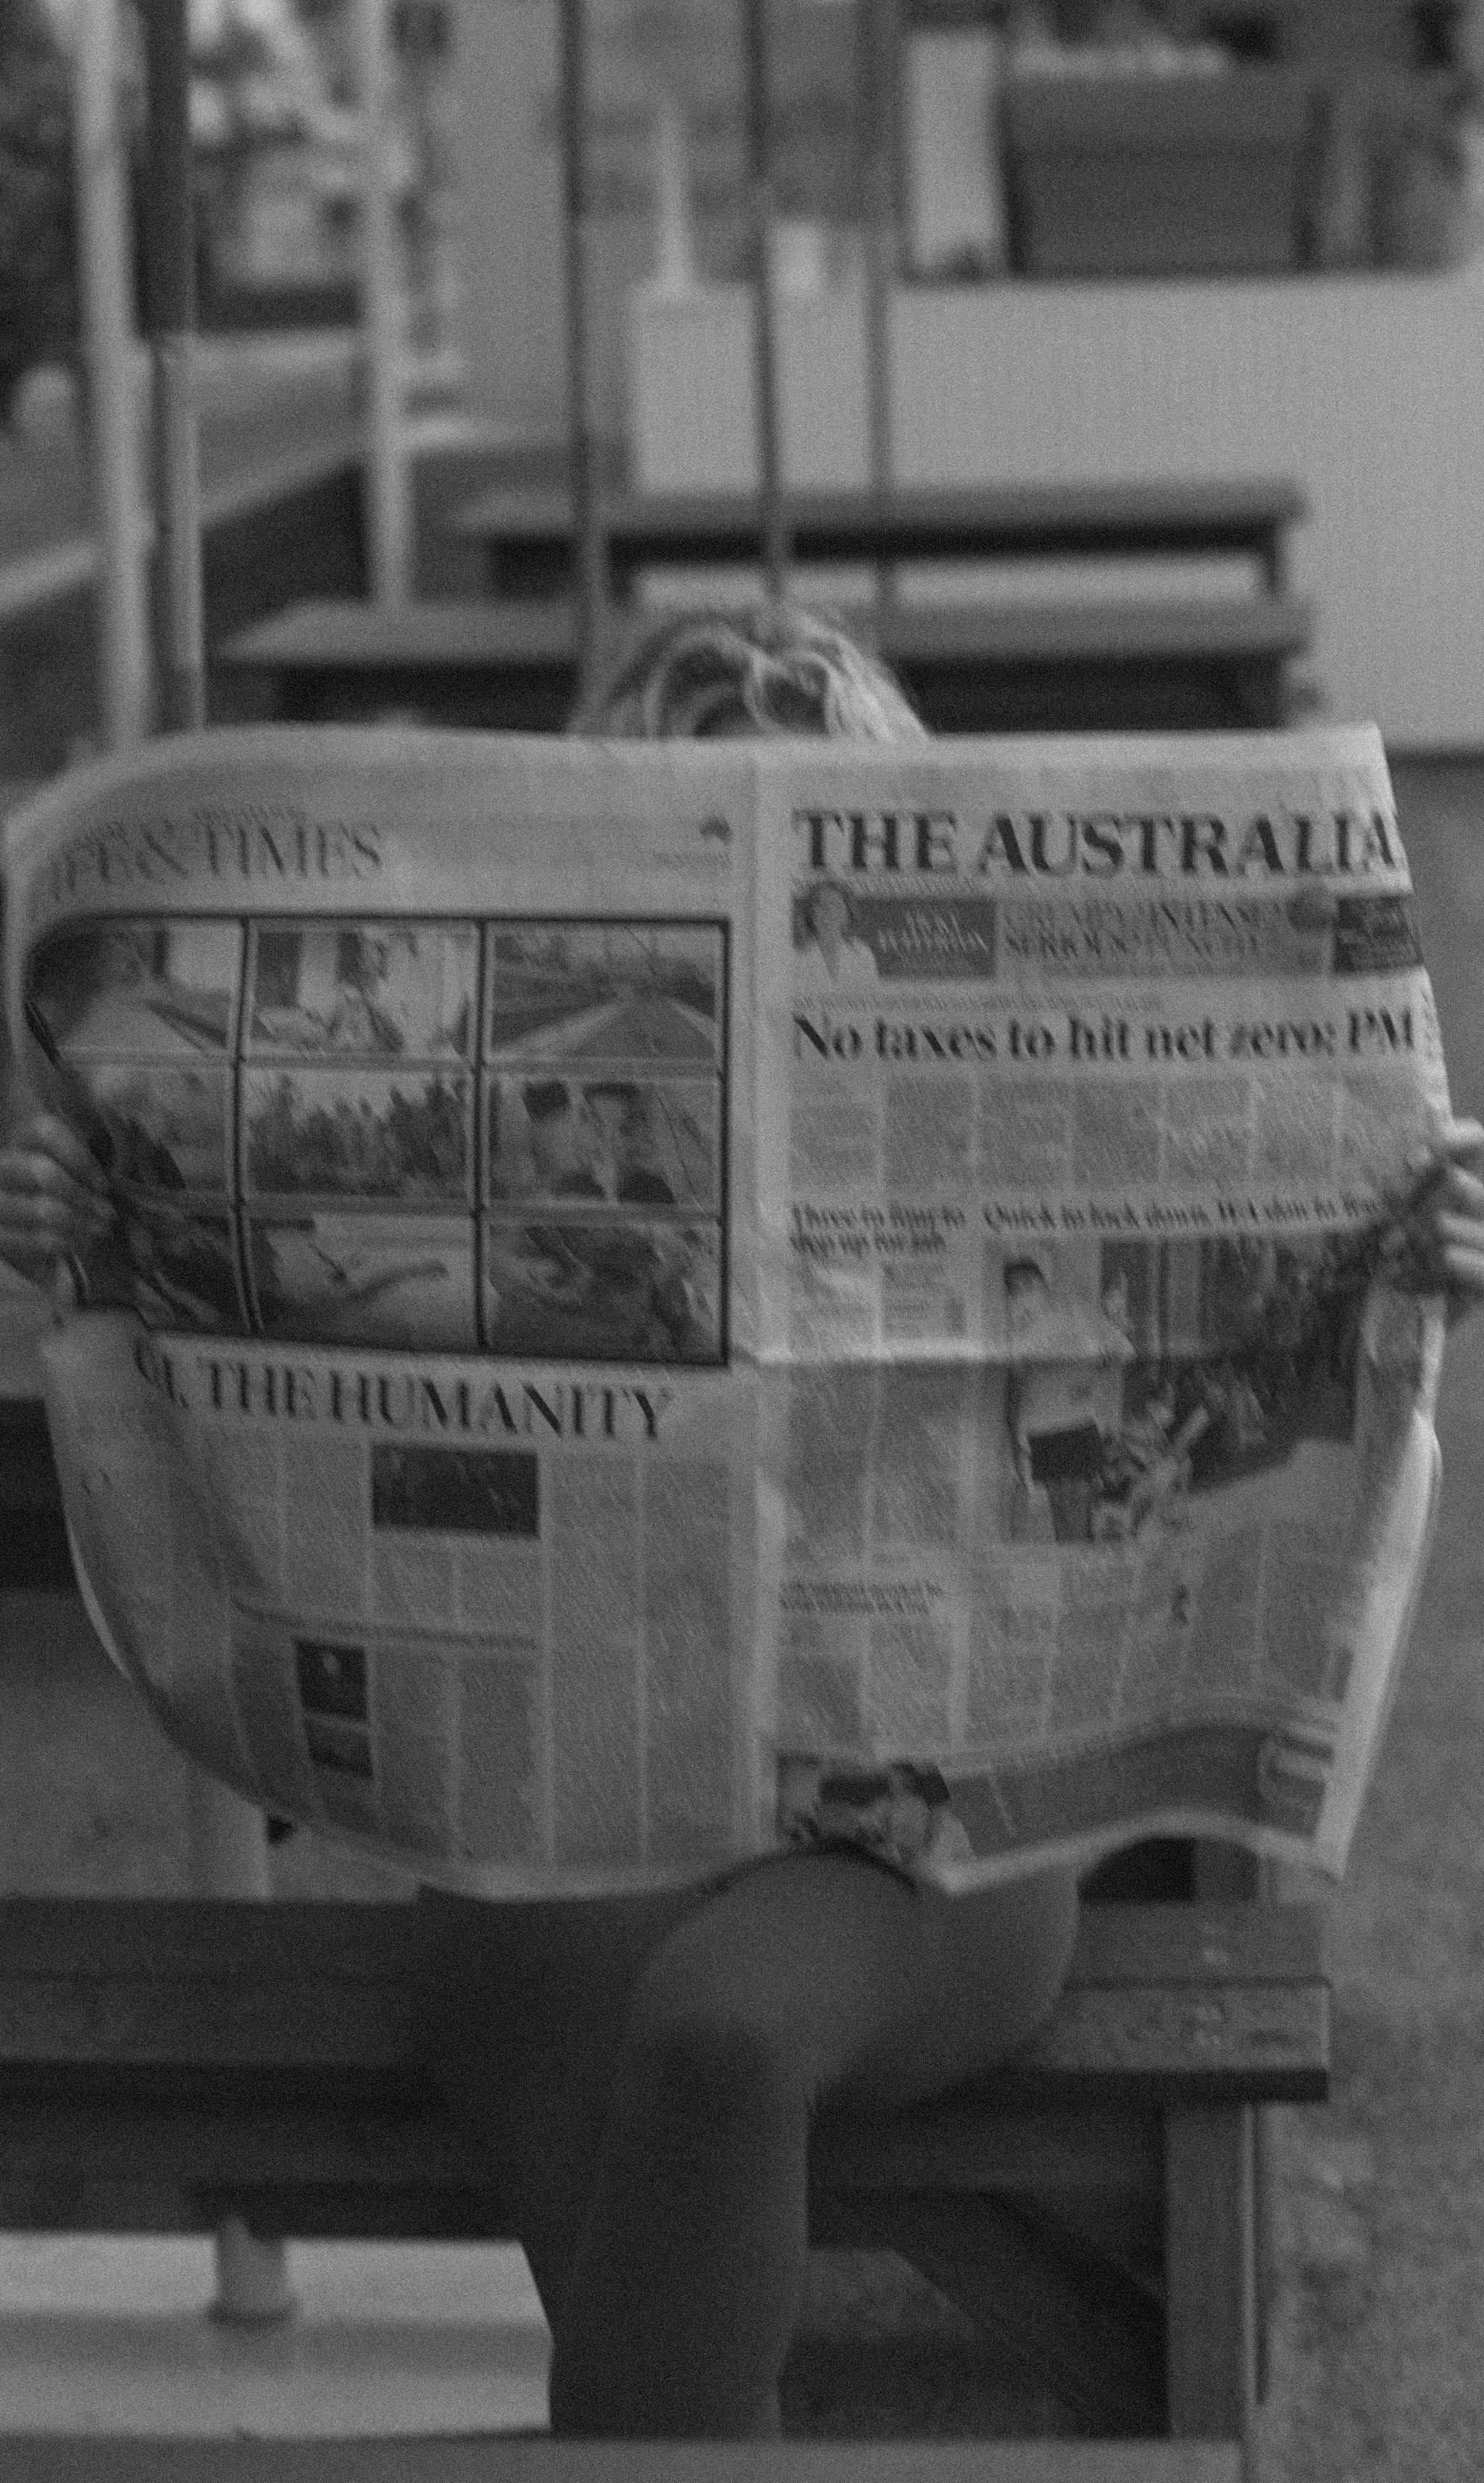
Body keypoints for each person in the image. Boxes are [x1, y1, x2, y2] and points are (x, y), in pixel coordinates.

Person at [4, 602, 1484, 2443]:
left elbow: (1228, 1367)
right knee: (531, 1974)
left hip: (940, 1844)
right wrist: (81, 1227)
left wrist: (1401, 1247)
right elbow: (223, 1347)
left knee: (720, 2029)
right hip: (571, 1804)